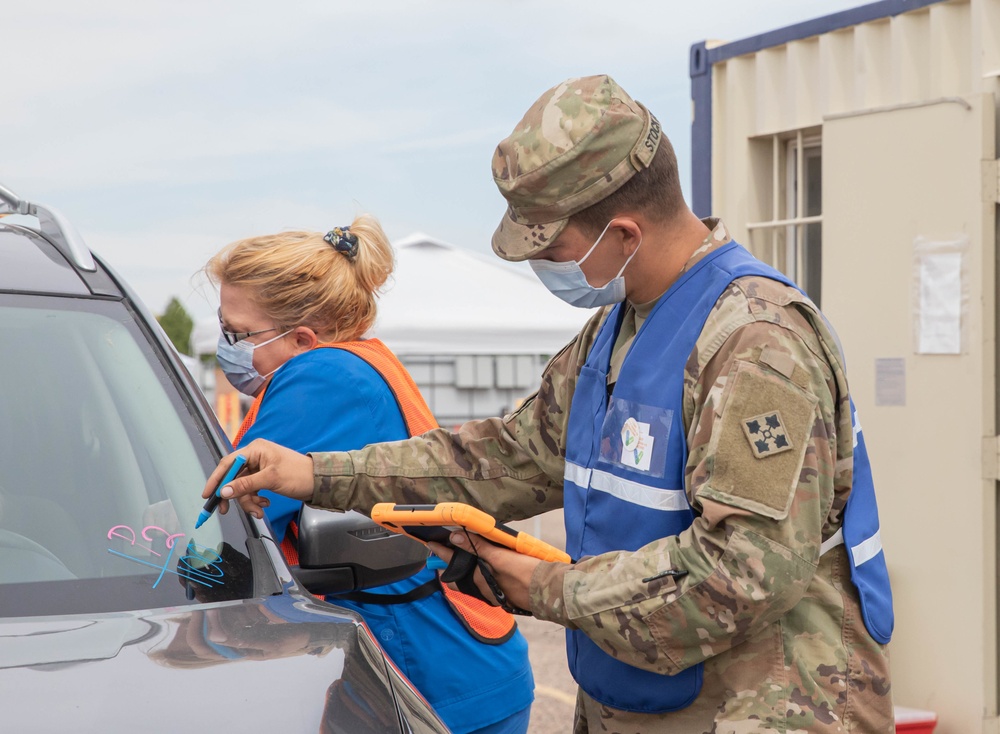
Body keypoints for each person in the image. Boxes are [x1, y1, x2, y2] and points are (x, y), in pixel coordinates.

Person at [204, 76, 895, 733]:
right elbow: (503, 458)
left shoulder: (756, 341)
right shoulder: (618, 330)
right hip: (642, 701)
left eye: (553, 250)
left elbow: (745, 573)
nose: (544, 271)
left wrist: (546, 588)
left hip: (767, 711)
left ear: (623, 234)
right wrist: (315, 473)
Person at [203, 217, 534, 734]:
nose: (226, 345)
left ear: (304, 338)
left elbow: (223, 524)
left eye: (237, 334)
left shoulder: (322, 375)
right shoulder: (362, 360)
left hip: (431, 679)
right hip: (454, 664)